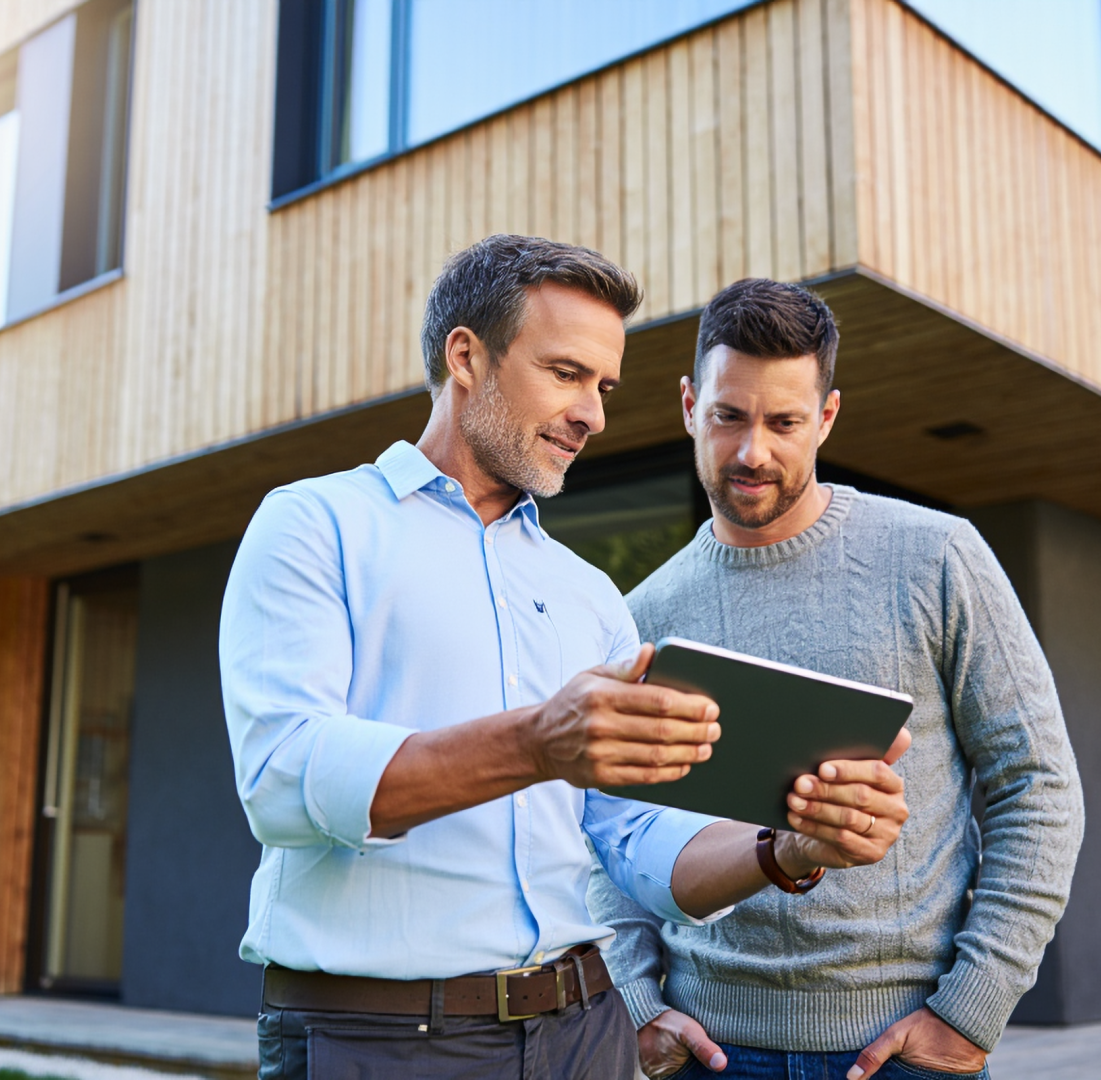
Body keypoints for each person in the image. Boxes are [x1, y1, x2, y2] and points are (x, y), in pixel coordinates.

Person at [219, 237, 913, 1080]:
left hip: (584, 1034)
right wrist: (537, 744)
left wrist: (789, 850)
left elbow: (636, 835)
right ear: (467, 356)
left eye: (604, 386)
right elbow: (284, 779)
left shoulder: (588, 593)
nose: (595, 414)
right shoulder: (314, 525)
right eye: (566, 374)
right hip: (383, 1040)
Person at [588, 278, 1085, 1080]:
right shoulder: (642, 614)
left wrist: (971, 1010)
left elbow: (1039, 785)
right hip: (709, 1054)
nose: (754, 451)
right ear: (689, 405)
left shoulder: (938, 557)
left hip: (902, 1051)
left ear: (825, 417)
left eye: (784, 422)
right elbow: (608, 832)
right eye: (728, 416)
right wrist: (638, 1006)